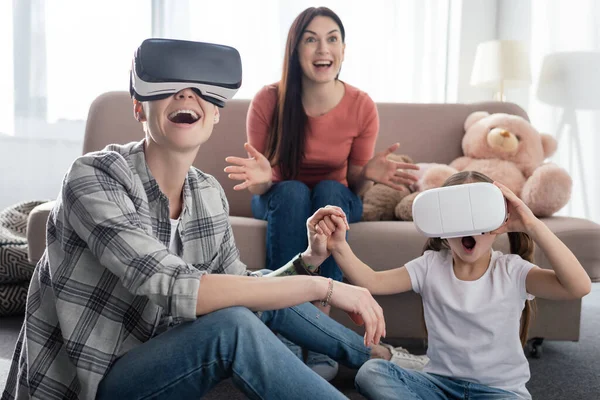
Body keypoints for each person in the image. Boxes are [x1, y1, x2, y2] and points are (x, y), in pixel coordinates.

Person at [2, 40, 408, 400]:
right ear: (138, 106)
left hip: (164, 357)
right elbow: (170, 284)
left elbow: (247, 288)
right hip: (90, 381)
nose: (186, 95)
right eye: (170, 87)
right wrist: (327, 287)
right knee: (232, 327)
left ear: (215, 114)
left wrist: (309, 261)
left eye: (201, 91)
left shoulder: (207, 193)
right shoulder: (95, 175)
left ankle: (385, 360)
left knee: (253, 296)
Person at [224, 6, 421, 378]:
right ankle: (285, 325)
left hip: (338, 195)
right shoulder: (269, 100)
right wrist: (264, 178)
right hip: (280, 196)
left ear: (344, 51)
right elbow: (266, 184)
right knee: (294, 191)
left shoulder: (361, 105)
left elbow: (354, 186)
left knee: (330, 190)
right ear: (295, 50)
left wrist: (369, 176)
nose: (322, 49)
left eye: (332, 39)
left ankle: (318, 331)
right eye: (311, 40)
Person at [312, 171, 592, 400]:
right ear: (442, 229)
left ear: (497, 224)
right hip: (438, 387)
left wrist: (530, 223)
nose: (467, 228)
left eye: (477, 216)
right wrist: (338, 245)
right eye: (456, 217)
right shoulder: (431, 265)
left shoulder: (512, 270)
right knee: (371, 373)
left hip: (499, 393)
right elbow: (372, 280)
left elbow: (578, 287)